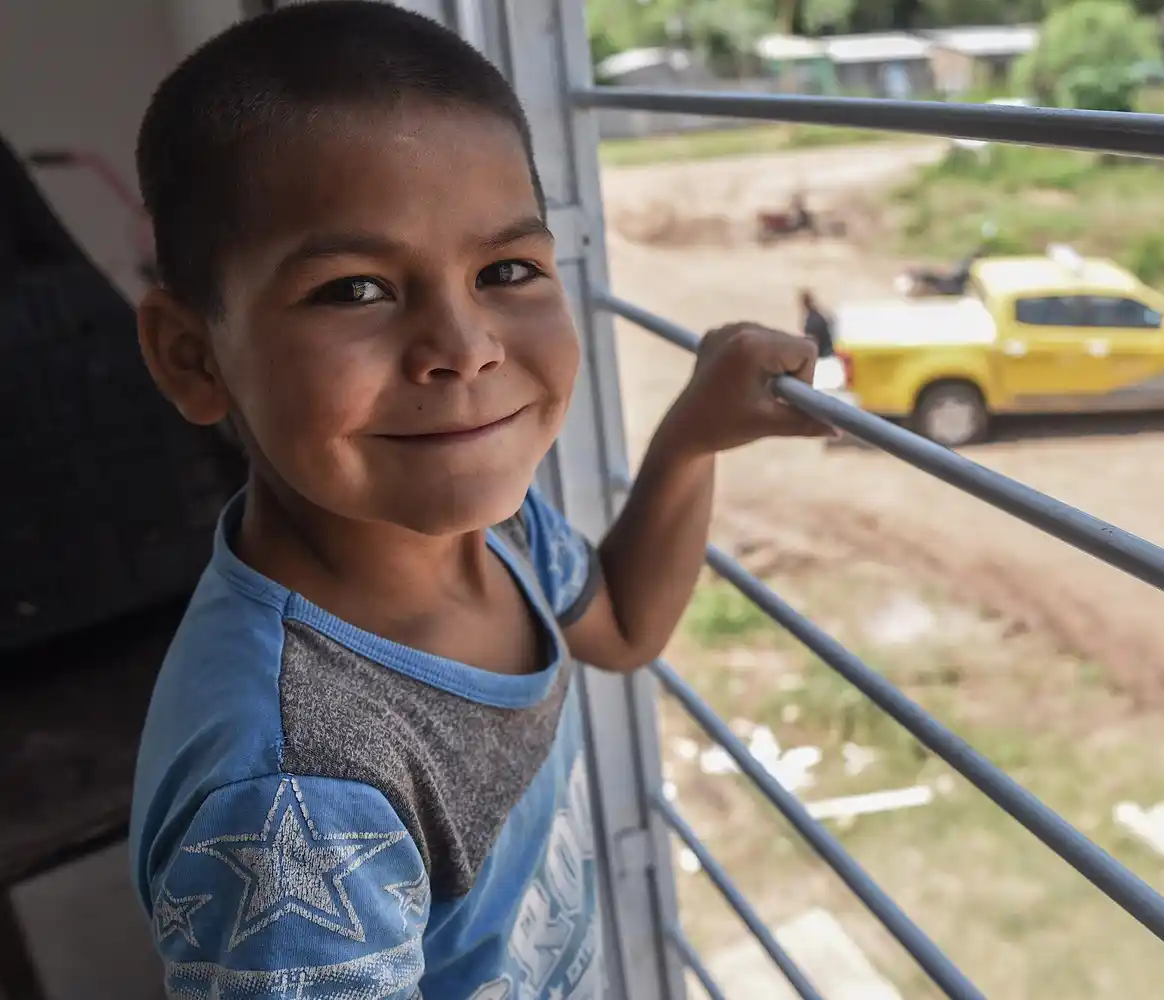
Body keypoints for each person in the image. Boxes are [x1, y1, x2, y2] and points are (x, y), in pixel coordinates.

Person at [125, 4, 834, 998]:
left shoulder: (491, 529)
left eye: (506, 270)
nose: (465, 347)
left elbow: (621, 626)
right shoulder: (294, 791)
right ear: (192, 356)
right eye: (356, 290)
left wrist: (690, 437)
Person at [799, 288, 835, 358]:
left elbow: (812, 339)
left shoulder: (812, 320)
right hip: (827, 351)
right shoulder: (818, 315)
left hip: (822, 354)